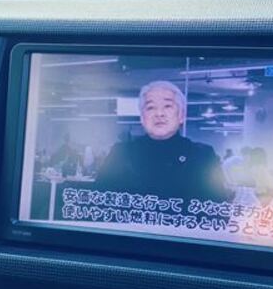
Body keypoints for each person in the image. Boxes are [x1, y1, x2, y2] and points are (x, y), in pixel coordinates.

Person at [95, 80, 232, 202]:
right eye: (150, 107)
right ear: (142, 118)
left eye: (167, 106)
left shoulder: (202, 156)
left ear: (181, 115)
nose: (159, 114)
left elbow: (215, 209)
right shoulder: (121, 153)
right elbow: (99, 203)